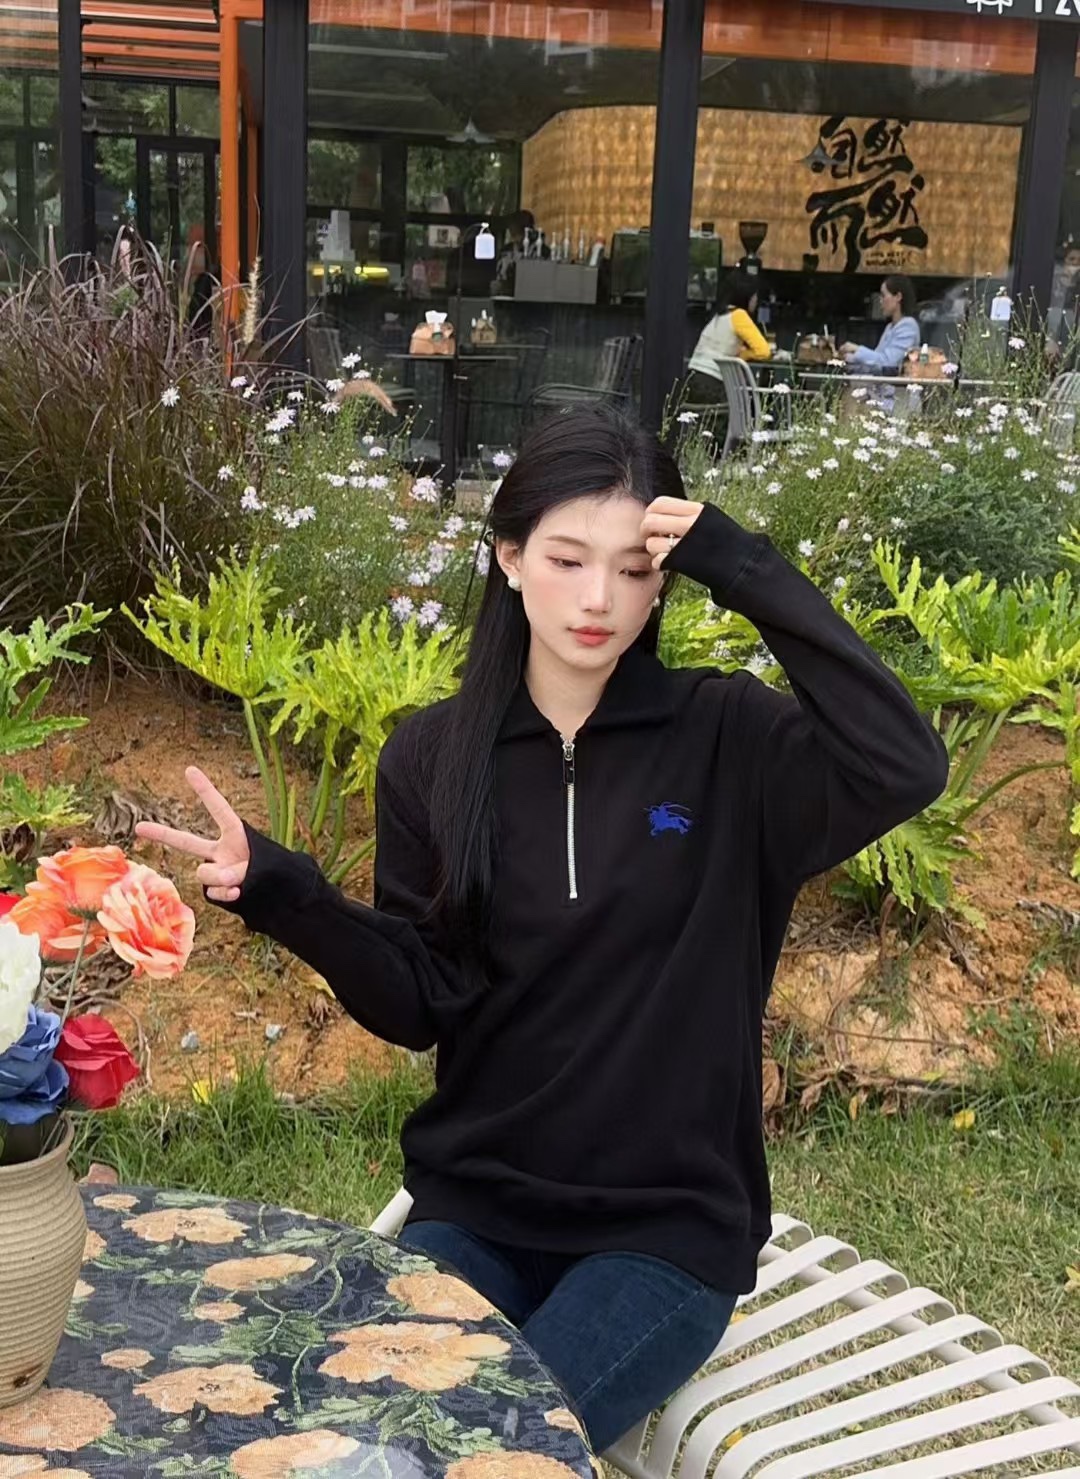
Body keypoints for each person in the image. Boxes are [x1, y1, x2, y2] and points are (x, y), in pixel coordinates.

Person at [136, 407, 947, 1458]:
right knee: (340, 1434)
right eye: (567, 559)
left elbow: (903, 763)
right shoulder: (433, 758)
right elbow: (422, 1000)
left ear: (666, 580)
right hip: (476, 1209)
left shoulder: (731, 740)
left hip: (662, 1233)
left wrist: (741, 564)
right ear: (511, 558)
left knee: (493, 1450)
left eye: (634, 569)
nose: (599, 598)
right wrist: (288, 896)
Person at [686, 274, 772, 403]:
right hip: (713, 381)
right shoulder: (739, 316)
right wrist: (741, 356)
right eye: (755, 296)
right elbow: (764, 351)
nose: (756, 300)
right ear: (746, 297)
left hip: (692, 377)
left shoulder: (719, 315)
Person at [841, 274, 920, 373]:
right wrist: (850, 358)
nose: (880, 301)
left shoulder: (908, 326)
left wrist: (857, 349)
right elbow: (876, 360)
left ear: (898, 297)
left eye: (883, 295)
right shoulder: (890, 327)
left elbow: (889, 363)